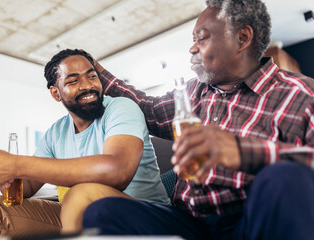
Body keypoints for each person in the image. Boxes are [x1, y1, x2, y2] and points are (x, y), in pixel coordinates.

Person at [81, 0, 314, 239]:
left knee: (287, 178)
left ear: (242, 38)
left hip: (251, 221)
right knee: (101, 212)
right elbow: (147, 109)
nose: (192, 49)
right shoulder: (195, 90)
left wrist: (243, 152)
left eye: (201, 39)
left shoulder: (301, 94)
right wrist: (94, 70)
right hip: (188, 223)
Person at [0, 49, 170, 239]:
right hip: (76, 214)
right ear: (56, 93)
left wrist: (15, 163)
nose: (87, 86)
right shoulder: (56, 132)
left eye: (92, 76)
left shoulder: (121, 108)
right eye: (73, 81)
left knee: (81, 194)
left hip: (145, 215)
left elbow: (118, 171)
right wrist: (7, 177)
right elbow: (28, 186)